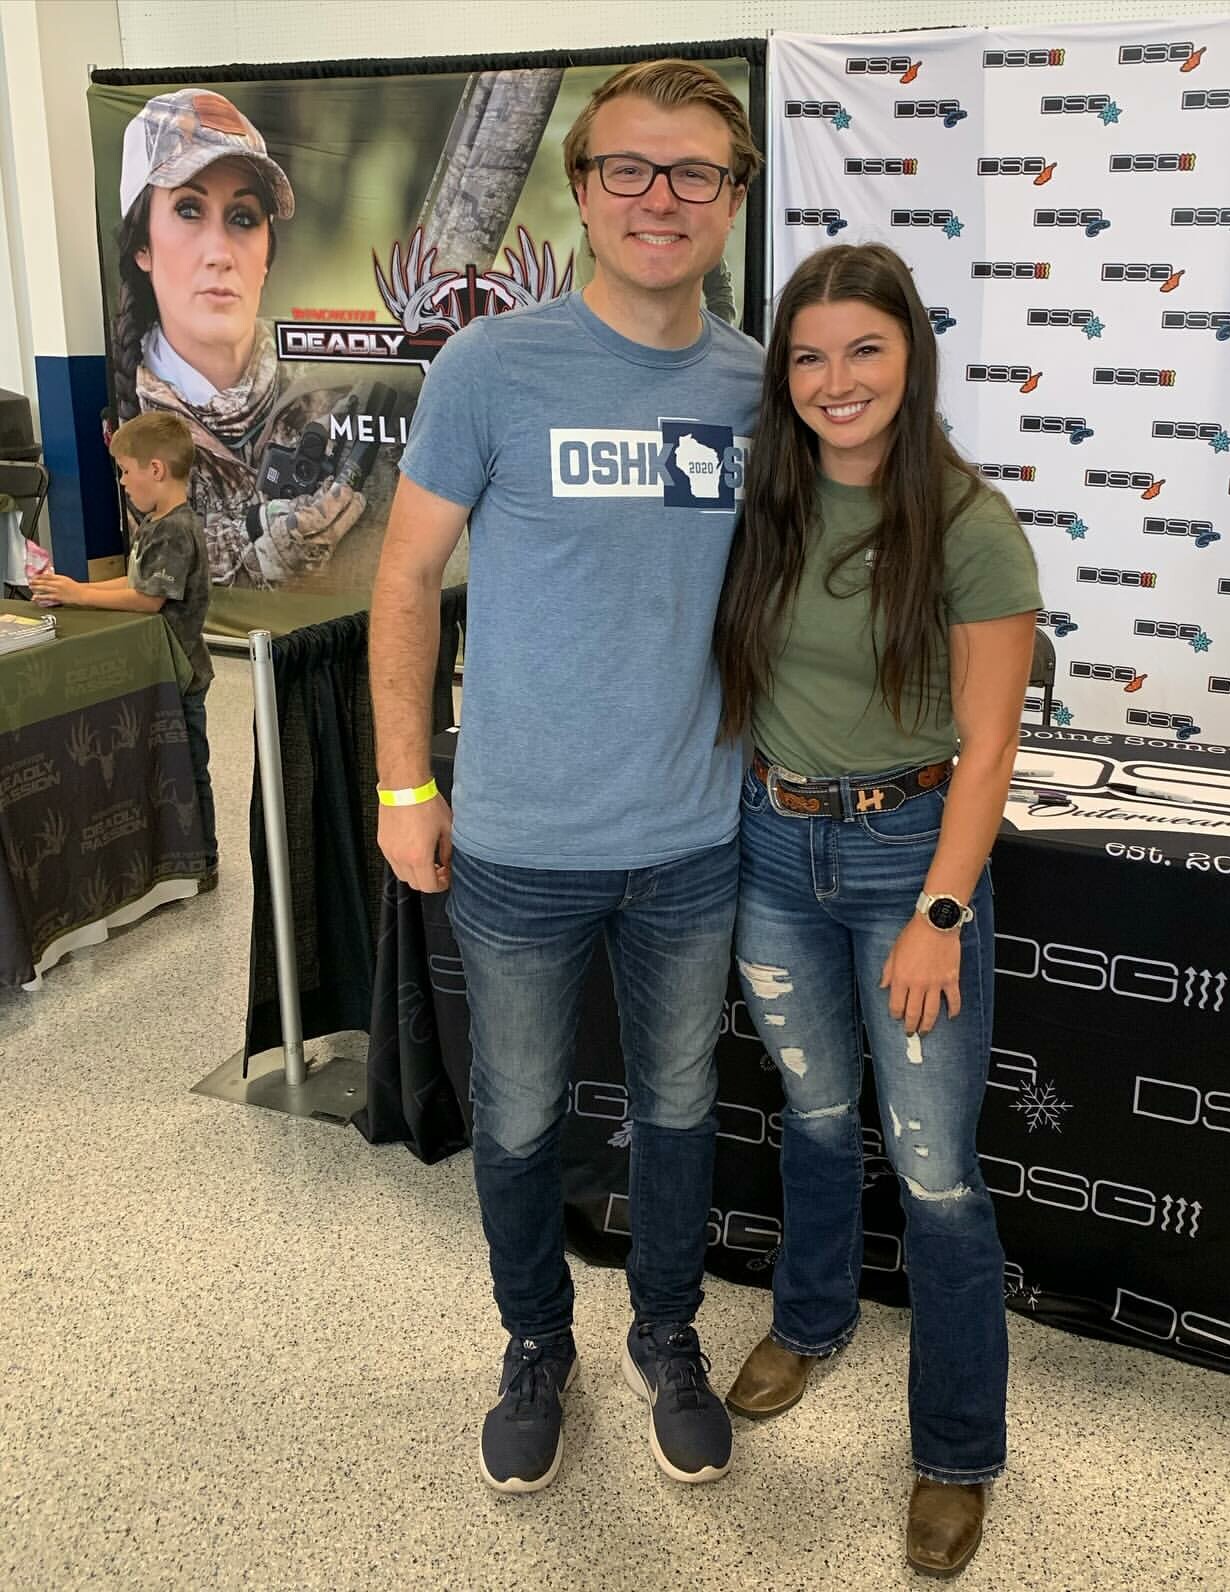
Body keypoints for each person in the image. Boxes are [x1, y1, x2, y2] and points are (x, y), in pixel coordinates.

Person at [369, 59, 763, 1495]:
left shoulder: (760, 386)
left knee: (678, 1109)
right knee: (523, 1114)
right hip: (522, 844)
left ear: (733, 198)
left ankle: (668, 1334)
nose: (662, 197)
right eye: (629, 169)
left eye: (695, 172)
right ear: (583, 192)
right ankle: (536, 1341)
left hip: (695, 840)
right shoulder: (490, 368)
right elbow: (405, 581)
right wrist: (403, 786)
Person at [714, 243, 1041, 1578]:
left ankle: (956, 1451)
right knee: (811, 1112)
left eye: (864, 349)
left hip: (911, 857)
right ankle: (813, 1318)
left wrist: (940, 912)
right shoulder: (769, 501)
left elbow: (991, 747)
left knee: (936, 1170)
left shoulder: (969, 525)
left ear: (913, 358)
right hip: (773, 846)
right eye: (808, 355)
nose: (834, 380)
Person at [111, 87, 365, 588]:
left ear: (267, 254)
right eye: (189, 210)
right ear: (142, 245)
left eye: (243, 218)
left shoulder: (340, 385)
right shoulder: (123, 420)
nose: (220, 253)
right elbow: (148, 580)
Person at [32, 411, 218, 890]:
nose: (122, 481)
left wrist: (79, 595)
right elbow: (135, 580)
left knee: (189, 769)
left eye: (125, 471)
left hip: (179, 673)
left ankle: (204, 860)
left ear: (155, 469)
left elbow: (148, 598)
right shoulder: (157, 523)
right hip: (156, 670)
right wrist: (73, 589)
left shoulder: (175, 529)